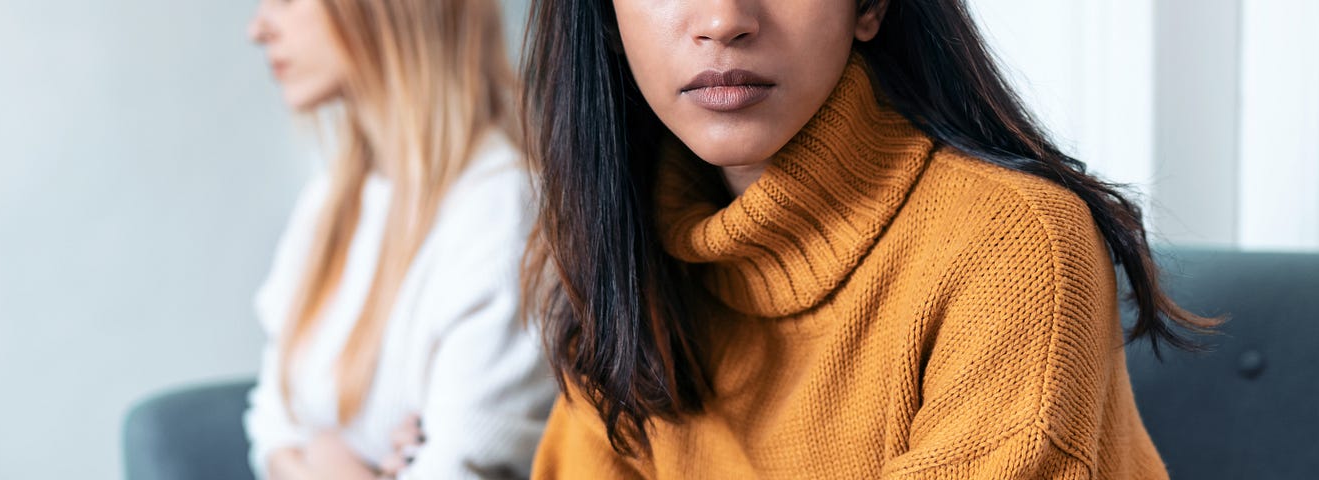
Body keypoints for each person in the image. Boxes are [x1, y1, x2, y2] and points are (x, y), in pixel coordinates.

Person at [520, 0, 1218, 477]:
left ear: (870, 5)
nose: (725, 20)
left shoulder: (1015, 246)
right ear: (606, 19)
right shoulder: (624, 250)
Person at [243, 0, 554, 478]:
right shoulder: (328, 203)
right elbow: (271, 427)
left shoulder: (504, 214)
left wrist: (323, 456)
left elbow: (461, 466)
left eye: (286, 1)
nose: (258, 29)